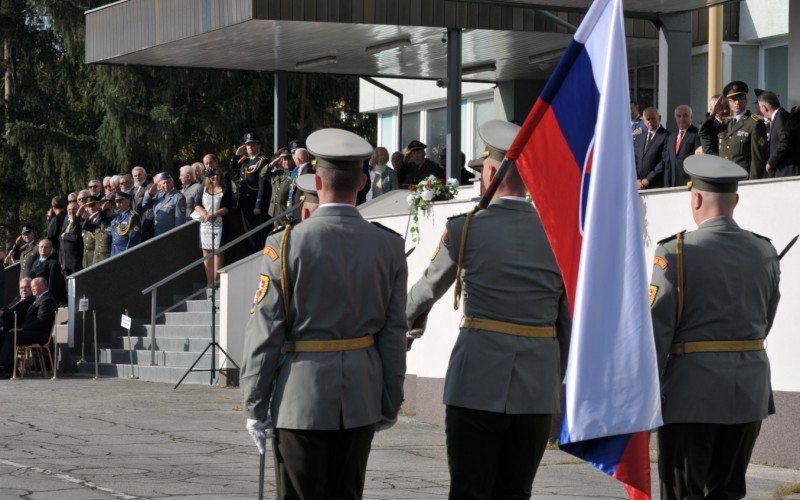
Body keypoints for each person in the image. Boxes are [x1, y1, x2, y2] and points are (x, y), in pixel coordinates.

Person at [405, 120, 571, 500]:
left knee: (469, 490)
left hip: (476, 385)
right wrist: (556, 376)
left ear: (491, 172)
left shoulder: (466, 228)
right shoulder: (558, 236)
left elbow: (425, 292)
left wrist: (398, 328)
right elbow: (567, 321)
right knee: (515, 492)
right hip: (536, 389)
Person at [241, 128, 407, 500]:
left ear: (316, 181)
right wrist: (389, 399)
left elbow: (264, 331)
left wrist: (254, 402)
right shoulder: (389, 246)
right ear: (363, 183)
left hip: (301, 400)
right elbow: (394, 333)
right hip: (361, 398)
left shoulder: (284, 244)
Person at [649, 154, 780, 500]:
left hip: (692, 396)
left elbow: (656, 333)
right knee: (728, 491)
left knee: (682, 493)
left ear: (695, 198)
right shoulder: (764, 251)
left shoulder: (675, 251)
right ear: (735, 200)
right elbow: (764, 322)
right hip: (748, 394)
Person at [700, 81, 768, 179]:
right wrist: (712, 114)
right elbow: (703, 133)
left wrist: (752, 184)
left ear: (745, 100)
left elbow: (758, 159)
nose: (737, 102)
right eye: (733, 99)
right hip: (724, 178)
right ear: (728, 102)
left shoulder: (754, 123)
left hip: (742, 179)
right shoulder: (726, 122)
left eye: (741, 98)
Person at [0, 277, 58, 378]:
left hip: (40, 335)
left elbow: (42, 322)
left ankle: (7, 368)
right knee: (5, 334)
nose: (32, 289)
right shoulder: (40, 298)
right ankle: (9, 368)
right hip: (33, 332)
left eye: (34, 287)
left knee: (11, 335)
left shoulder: (47, 300)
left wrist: (22, 328)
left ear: (43, 286)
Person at [194, 168, 233, 288]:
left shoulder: (225, 191)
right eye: (213, 176)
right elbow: (197, 205)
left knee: (218, 251)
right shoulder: (204, 189)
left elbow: (227, 208)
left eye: (217, 176)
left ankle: (216, 280)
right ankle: (209, 281)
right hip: (205, 224)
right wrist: (204, 213)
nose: (215, 178)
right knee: (206, 251)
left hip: (219, 224)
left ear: (221, 177)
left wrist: (214, 214)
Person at [231, 132, 271, 247]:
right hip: (244, 203)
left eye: (253, 144)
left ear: (258, 146)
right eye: (248, 145)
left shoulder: (262, 161)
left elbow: (263, 185)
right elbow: (233, 169)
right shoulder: (246, 161)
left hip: (254, 203)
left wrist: (258, 205)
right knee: (248, 234)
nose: (250, 147)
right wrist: (237, 155)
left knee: (258, 234)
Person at [757, 91, 798, 178]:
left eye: (760, 107)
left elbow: (785, 141)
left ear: (764, 108)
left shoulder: (780, 116)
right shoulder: (779, 116)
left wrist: (771, 162)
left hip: (786, 171)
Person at [664, 105, 702, 187]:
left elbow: (698, 162)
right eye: (679, 116)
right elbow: (668, 164)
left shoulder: (697, 134)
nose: (682, 119)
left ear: (691, 117)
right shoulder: (671, 137)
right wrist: (666, 186)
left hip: (689, 184)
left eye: (685, 116)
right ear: (675, 118)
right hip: (673, 185)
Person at [141, 172, 187, 237]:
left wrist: (177, 236)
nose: (166, 185)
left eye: (168, 182)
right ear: (160, 184)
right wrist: (150, 194)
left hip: (170, 235)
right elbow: (145, 205)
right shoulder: (158, 195)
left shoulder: (178, 197)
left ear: (172, 183)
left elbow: (180, 221)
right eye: (164, 183)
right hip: (157, 233)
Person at [635, 106, 669, 189]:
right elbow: (635, 160)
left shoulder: (667, 136)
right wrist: (636, 179)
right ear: (643, 121)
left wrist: (647, 180)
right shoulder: (640, 137)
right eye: (648, 119)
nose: (650, 121)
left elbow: (664, 161)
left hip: (656, 185)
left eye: (653, 118)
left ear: (659, 118)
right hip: (639, 186)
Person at [105, 191, 142, 256]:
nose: (118, 204)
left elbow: (133, 240)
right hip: (114, 252)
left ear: (128, 201)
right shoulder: (115, 215)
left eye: (120, 201)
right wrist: (104, 210)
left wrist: (127, 255)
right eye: (116, 202)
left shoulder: (132, 216)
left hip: (125, 253)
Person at [0, 278, 34, 347]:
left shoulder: (31, 300)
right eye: (21, 288)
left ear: (32, 288)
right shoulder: (18, 298)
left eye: (27, 287)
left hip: (13, 327)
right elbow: (6, 308)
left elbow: (19, 314)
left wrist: (2, 314)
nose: (24, 290)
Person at [59, 201, 84, 275]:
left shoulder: (81, 222)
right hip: (65, 264)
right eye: (69, 209)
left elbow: (77, 238)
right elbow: (61, 242)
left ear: (78, 210)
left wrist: (65, 236)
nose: (71, 211)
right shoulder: (66, 222)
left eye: (74, 209)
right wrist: (61, 261)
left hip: (76, 263)